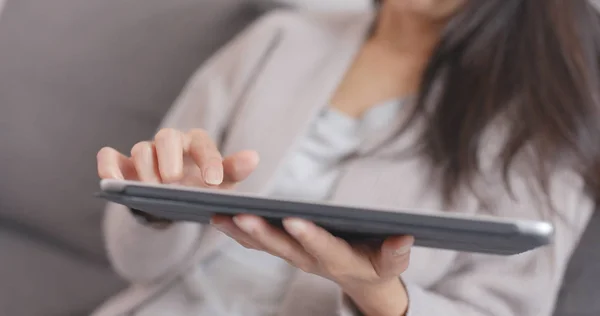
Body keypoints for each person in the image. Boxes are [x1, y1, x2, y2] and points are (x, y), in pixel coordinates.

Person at [93, 0, 600, 315]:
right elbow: (136, 262)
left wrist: (379, 297)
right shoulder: (277, 39)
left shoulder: (542, 120)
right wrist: (161, 207)